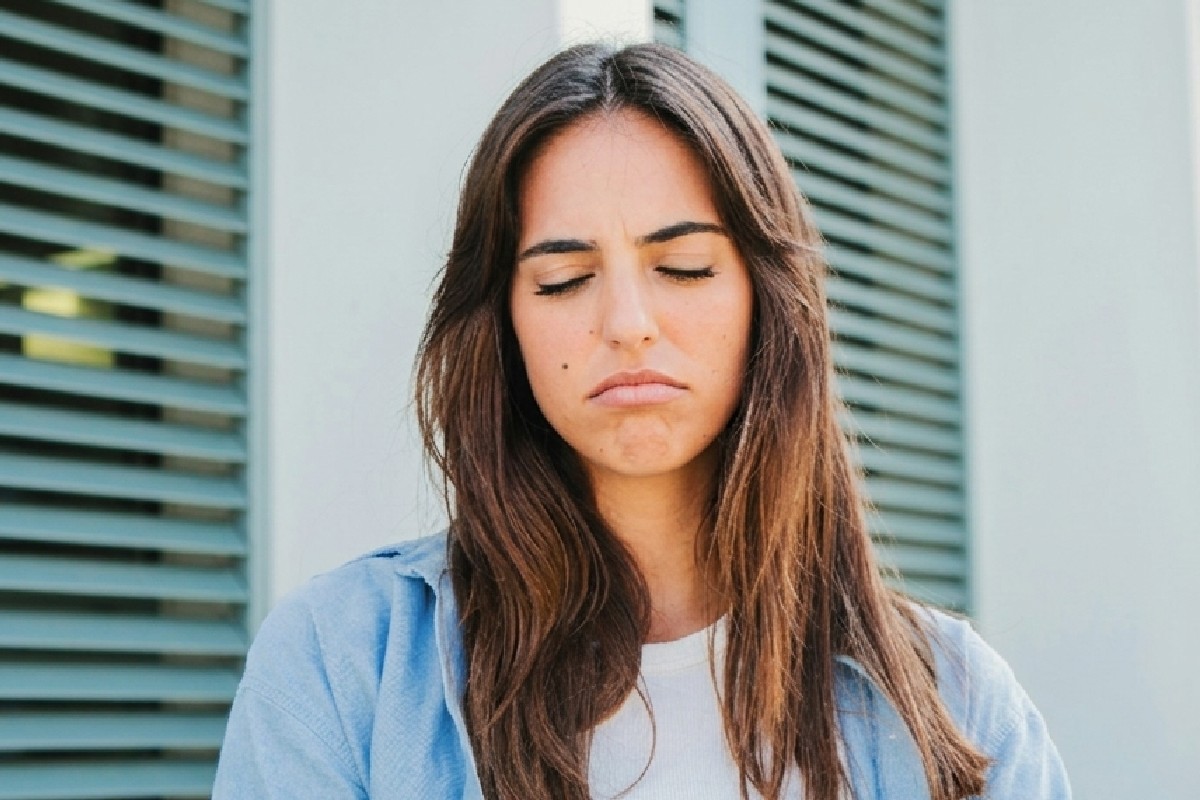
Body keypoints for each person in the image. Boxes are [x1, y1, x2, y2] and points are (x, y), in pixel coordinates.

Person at [213, 42, 1070, 800]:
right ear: (503, 321)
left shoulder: (958, 706)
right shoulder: (340, 664)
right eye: (562, 278)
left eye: (685, 267)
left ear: (768, 303)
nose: (627, 322)